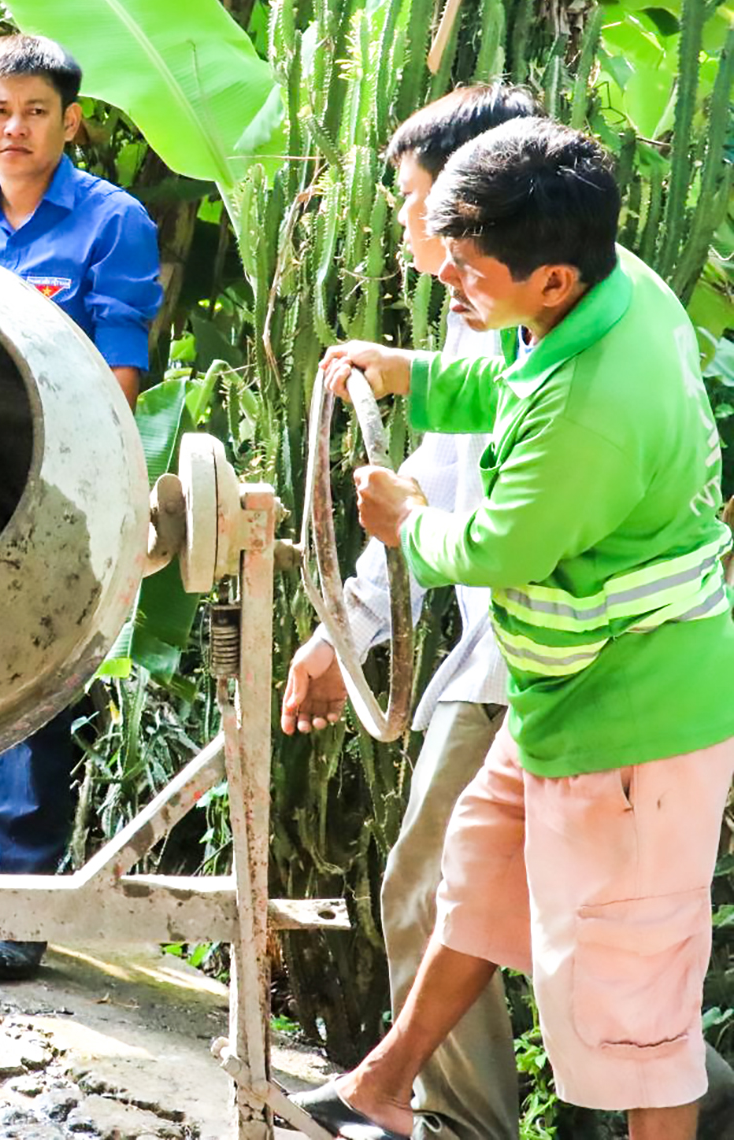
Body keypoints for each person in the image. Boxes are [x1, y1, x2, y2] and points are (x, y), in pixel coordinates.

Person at [301, 118, 734, 1140]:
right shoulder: (605, 284)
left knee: (638, 1022)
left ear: (550, 281)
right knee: (479, 877)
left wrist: (409, 523)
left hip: (632, 725)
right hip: (564, 695)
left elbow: (496, 548)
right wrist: (414, 370)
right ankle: (384, 1084)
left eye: (468, 268)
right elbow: (509, 380)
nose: (448, 279)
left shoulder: (592, 406)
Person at [0, 33, 161, 982]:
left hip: (62, 485)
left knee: (33, 685)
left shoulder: (114, 223)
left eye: (35, 110)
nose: (15, 127)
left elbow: (121, 368)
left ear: (71, 121)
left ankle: (21, 907)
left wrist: (46, 460)